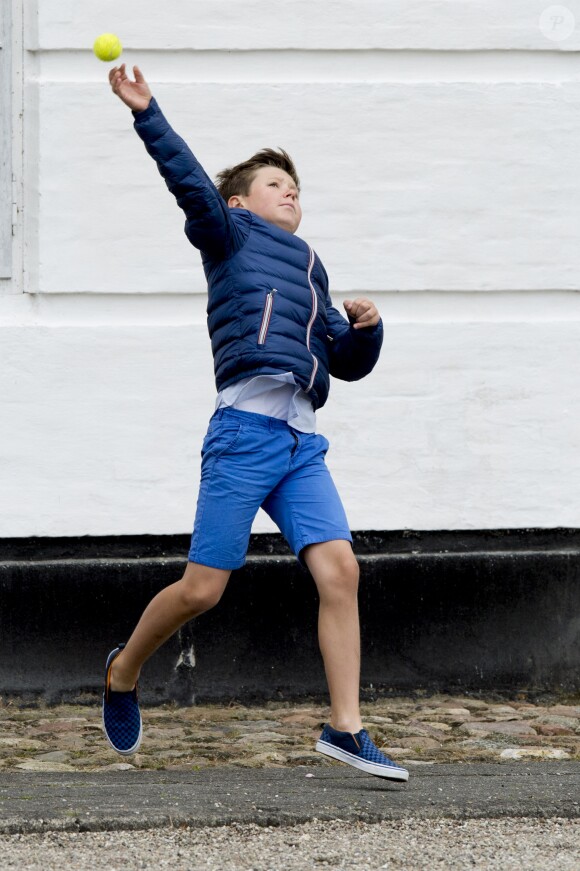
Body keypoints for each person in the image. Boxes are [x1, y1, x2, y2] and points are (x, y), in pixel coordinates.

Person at [102, 63, 409, 783]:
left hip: (301, 441)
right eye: (275, 182)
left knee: (341, 570)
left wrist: (366, 330)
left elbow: (345, 358)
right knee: (204, 587)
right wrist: (149, 114)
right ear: (239, 199)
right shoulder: (228, 235)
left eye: (296, 186)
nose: (290, 190)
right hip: (243, 432)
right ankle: (122, 670)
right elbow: (187, 181)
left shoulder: (311, 268)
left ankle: (345, 726)